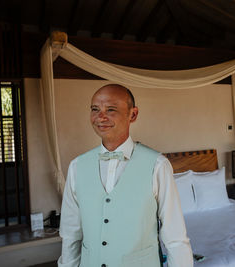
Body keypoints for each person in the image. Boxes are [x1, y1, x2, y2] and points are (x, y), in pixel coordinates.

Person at [58, 84, 193, 267]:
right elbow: (70, 234)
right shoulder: (76, 166)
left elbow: (175, 237)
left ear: (133, 114)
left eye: (111, 109)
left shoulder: (157, 166)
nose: (101, 117)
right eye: (95, 109)